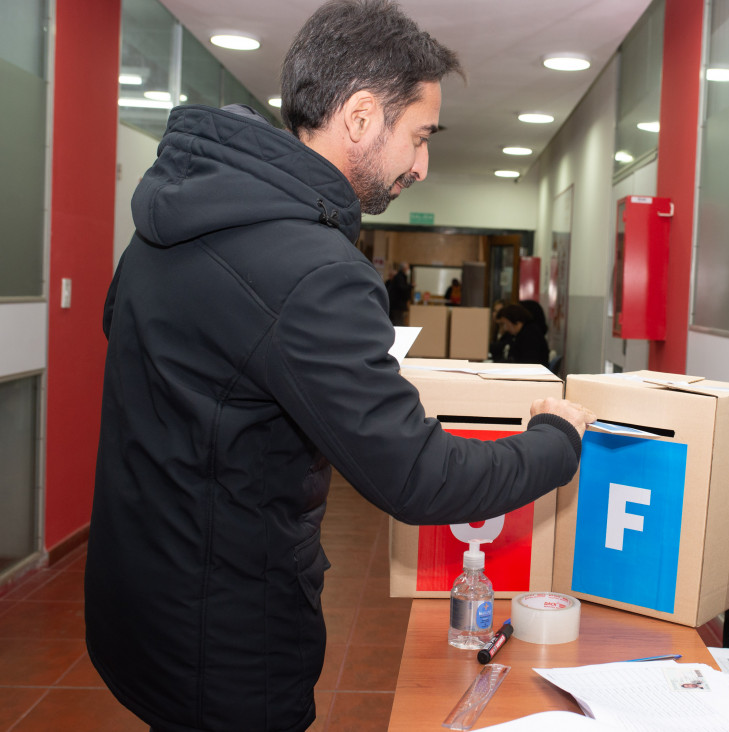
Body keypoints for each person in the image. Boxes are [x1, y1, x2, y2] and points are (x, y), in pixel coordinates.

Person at [84, 2, 594, 731]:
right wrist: (556, 441)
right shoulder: (312, 267)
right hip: (227, 637)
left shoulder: (168, 221)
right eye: (419, 137)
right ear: (359, 117)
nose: (422, 164)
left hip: (137, 602)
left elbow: (158, 353)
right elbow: (418, 480)